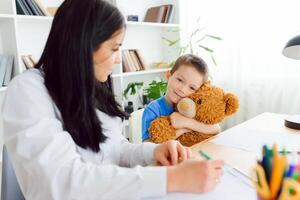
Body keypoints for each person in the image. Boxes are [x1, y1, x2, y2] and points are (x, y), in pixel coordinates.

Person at [2, 0, 224, 199]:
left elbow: (116, 149)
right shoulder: (28, 90)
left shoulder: (90, 89)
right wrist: (171, 178)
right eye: (114, 48)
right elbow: (62, 184)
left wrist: (154, 151)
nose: (119, 60)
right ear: (84, 44)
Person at [142, 54, 221, 142]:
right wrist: (182, 130)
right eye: (180, 80)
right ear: (169, 76)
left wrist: (186, 122)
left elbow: (216, 128)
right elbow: (148, 144)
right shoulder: (153, 109)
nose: (182, 89)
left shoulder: (195, 108)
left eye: (192, 88)